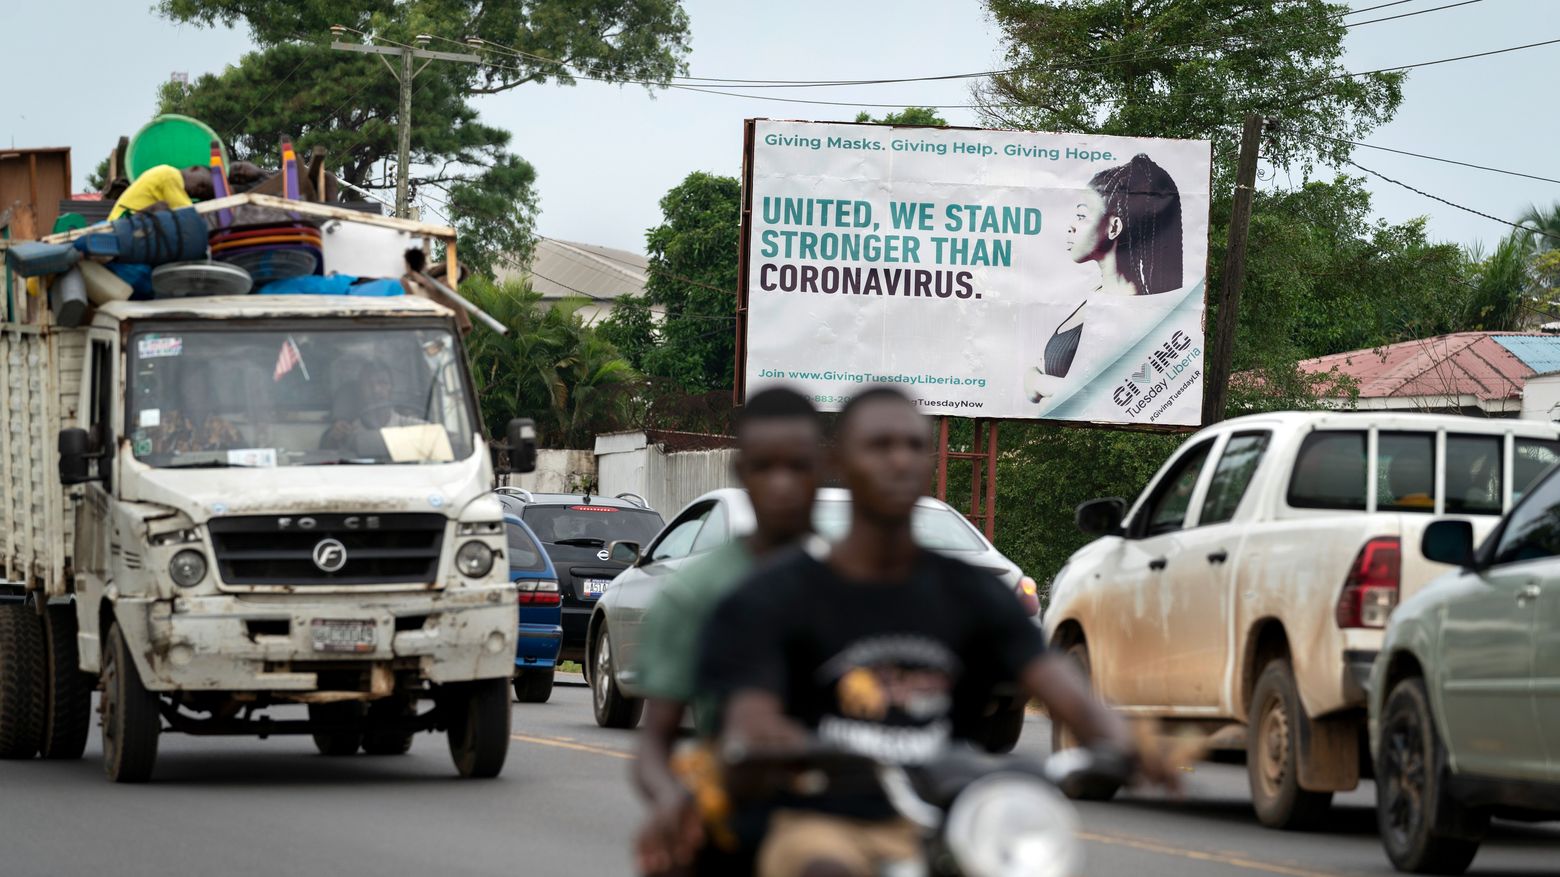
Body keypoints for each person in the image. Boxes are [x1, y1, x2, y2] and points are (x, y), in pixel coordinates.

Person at [698, 386, 1170, 877]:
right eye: (880, 446)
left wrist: (1118, 736)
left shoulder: (971, 593)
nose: (899, 460)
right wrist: (774, 741)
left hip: (950, 821)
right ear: (840, 460)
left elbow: (1054, 680)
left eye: (914, 445)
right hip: (820, 819)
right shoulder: (776, 596)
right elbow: (749, 718)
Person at [633, 386, 825, 877]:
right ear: (742, 474)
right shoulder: (696, 592)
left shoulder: (849, 583)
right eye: (765, 467)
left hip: (848, 809)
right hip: (740, 807)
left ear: (822, 471)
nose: (782, 484)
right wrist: (671, 798)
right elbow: (655, 742)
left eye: (798, 466)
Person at [1026, 154, 1183, 403]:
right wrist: (1040, 383)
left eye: (1081, 216)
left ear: (1113, 228)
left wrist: (1037, 380)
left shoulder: (1129, 307)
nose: (1071, 226)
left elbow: (1103, 395)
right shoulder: (1098, 294)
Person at [150, 367, 243, 455]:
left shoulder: (225, 429)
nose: (193, 393)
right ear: (181, 392)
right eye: (188, 387)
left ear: (207, 391)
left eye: (198, 387)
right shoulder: (165, 423)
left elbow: (243, 462)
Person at [108, 165, 216, 220]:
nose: (199, 191)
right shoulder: (170, 175)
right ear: (194, 169)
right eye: (202, 185)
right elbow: (188, 213)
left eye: (203, 193)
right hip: (121, 222)